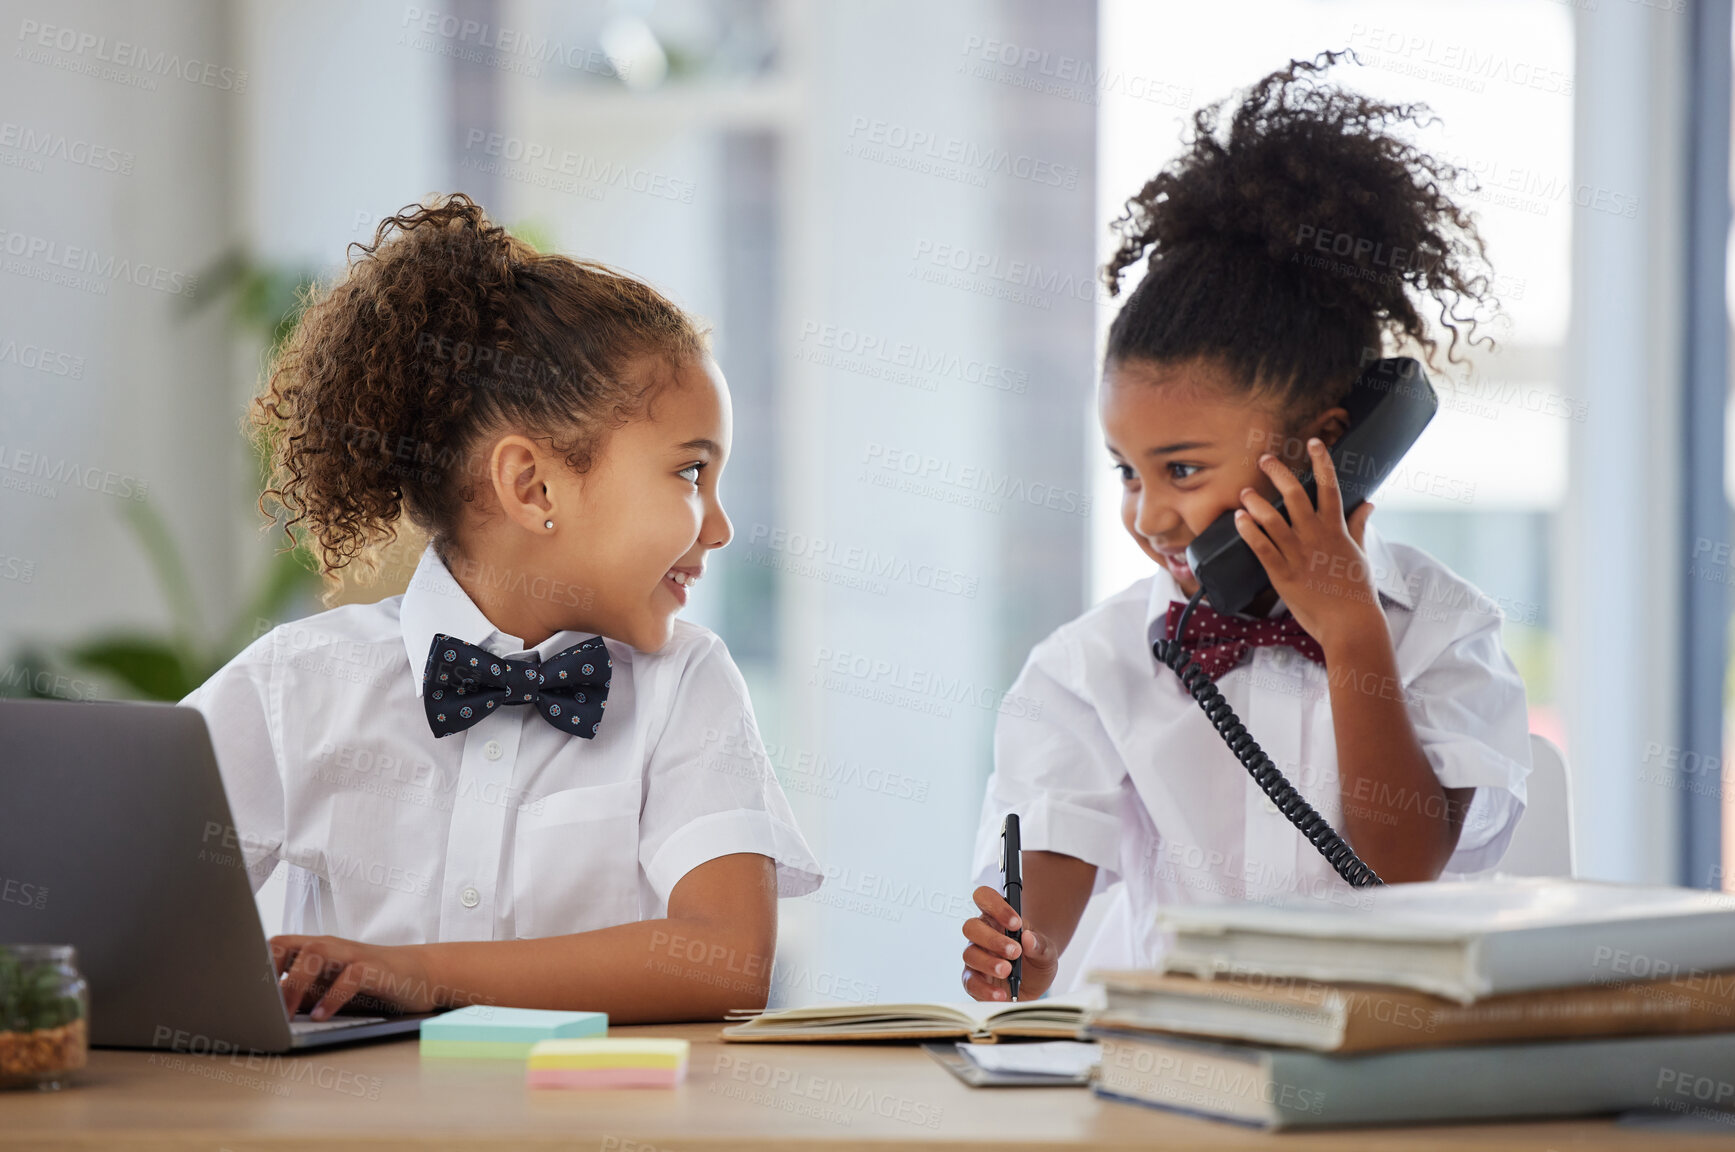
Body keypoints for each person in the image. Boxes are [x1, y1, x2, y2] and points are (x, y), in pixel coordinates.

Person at [959, 53, 1531, 1002]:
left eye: (1182, 469)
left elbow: (1403, 872)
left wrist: (1351, 630)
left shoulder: (1443, 633)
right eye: (1126, 473)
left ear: (1330, 448)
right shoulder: (1091, 668)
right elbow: (1051, 868)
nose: (1150, 515)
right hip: (1175, 1083)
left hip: (1392, 1079)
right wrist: (1024, 946)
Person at [182, 194, 820, 1022]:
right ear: (532, 486)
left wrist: (420, 974)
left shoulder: (685, 685)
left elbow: (726, 959)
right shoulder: (292, 686)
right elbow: (122, 900)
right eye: (691, 474)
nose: (722, 527)